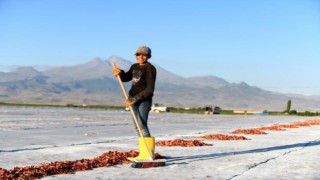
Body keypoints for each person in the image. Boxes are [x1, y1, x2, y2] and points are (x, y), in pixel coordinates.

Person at [113, 46, 157, 161]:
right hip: (132, 99)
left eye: (144, 55)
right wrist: (120, 72)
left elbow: (149, 89)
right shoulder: (134, 66)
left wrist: (135, 99)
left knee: (142, 125)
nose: (141, 57)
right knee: (137, 126)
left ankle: (148, 154)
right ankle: (143, 153)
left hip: (143, 101)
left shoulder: (150, 68)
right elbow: (126, 78)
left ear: (148, 56)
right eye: (138, 54)